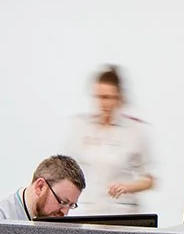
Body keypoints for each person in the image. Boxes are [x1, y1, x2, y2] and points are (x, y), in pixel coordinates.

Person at [66, 66, 156, 216]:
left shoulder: (134, 130)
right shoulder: (82, 127)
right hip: (90, 212)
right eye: (99, 97)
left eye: (108, 97)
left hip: (122, 212)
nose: (103, 103)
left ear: (118, 98)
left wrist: (127, 187)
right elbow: (67, 170)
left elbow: (149, 179)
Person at [0, 155, 85, 221]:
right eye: (62, 202)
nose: (64, 213)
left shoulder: (50, 223)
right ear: (40, 187)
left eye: (71, 205)